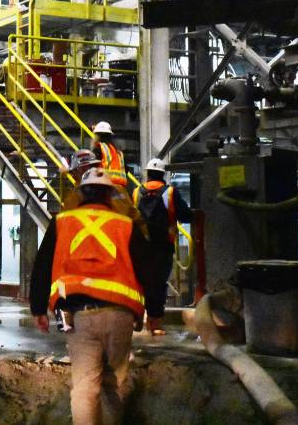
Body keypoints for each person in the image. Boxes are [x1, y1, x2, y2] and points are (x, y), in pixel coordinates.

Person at [30, 167, 155, 424]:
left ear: (80, 193)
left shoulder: (63, 221)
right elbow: (148, 269)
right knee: (114, 384)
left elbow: (42, 265)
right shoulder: (125, 224)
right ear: (111, 195)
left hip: (78, 316)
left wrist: (38, 308)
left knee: (85, 388)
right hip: (120, 314)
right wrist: (155, 313)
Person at [132, 158, 193, 336]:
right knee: (158, 285)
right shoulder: (170, 193)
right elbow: (186, 216)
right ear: (163, 174)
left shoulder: (136, 192)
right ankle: (155, 324)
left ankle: (137, 319)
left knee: (139, 284)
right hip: (162, 247)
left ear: (147, 173)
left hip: (140, 247)